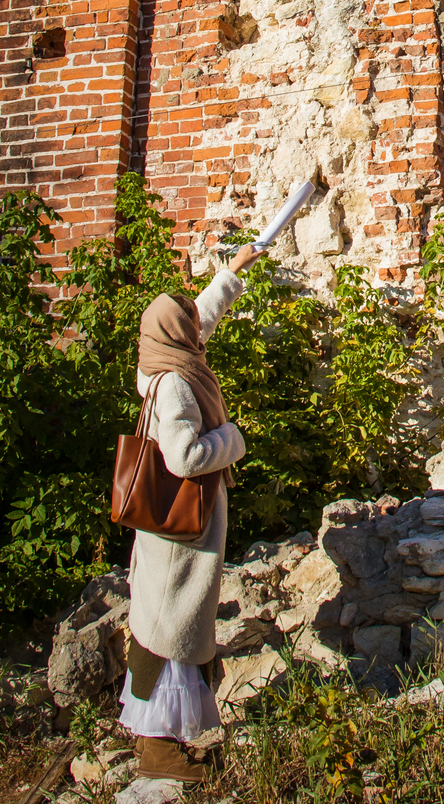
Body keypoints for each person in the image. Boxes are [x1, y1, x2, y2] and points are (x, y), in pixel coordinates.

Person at [119, 243, 263, 783]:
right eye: (188, 327)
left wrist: (231, 272)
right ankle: (158, 750)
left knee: (170, 626)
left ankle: (170, 741)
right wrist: (232, 438)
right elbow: (185, 456)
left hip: (175, 533)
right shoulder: (177, 382)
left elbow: (197, 319)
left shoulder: (163, 357)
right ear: (176, 337)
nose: (196, 331)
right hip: (181, 536)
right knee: (172, 629)